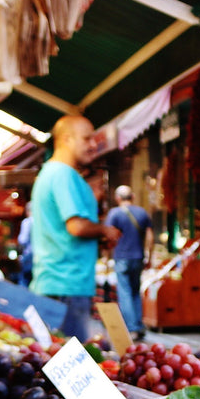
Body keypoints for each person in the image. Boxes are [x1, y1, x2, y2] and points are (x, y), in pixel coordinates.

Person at [30, 115, 119, 341]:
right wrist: (105, 231)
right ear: (67, 139)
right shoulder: (63, 174)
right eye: (87, 139)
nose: (93, 145)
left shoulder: (52, 173)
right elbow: (76, 227)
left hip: (58, 283)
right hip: (66, 285)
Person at [105, 184, 153, 340]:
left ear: (117, 198)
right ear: (132, 197)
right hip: (138, 257)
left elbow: (108, 236)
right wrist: (149, 256)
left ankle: (132, 327)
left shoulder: (114, 213)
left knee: (124, 293)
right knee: (134, 291)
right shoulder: (142, 213)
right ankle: (138, 325)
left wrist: (106, 257)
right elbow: (150, 237)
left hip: (121, 257)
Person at [16, 209, 34, 288]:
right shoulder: (43, 222)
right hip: (41, 255)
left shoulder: (27, 222)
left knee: (25, 281)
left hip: (29, 254)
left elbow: (23, 240)